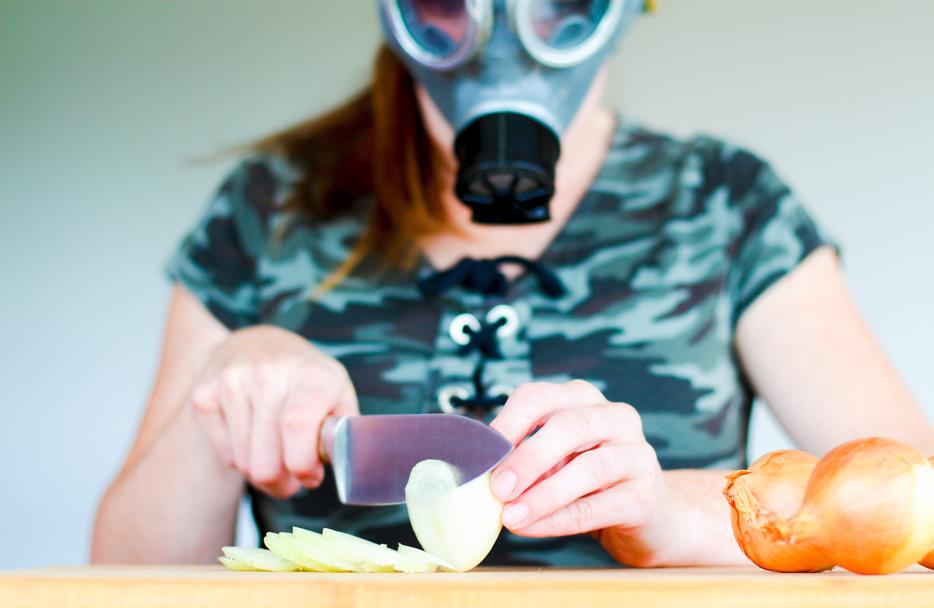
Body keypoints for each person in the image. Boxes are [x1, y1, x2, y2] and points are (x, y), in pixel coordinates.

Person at [91, 0, 932, 567]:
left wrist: (672, 516)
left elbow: (915, 508)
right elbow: (122, 584)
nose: (504, 37)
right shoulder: (269, 211)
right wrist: (227, 386)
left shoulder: (726, 206)